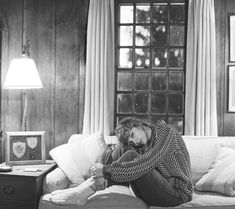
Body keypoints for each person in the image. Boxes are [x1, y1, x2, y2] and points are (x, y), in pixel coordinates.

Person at [90, 117, 193, 207]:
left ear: (139, 125)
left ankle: (91, 188)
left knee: (131, 157)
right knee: (122, 151)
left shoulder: (167, 131)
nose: (134, 142)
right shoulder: (145, 146)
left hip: (179, 194)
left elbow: (150, 160)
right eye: (130, 142)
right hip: (158, 190)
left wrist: (105, 170)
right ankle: (98, 181)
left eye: (132, 134)